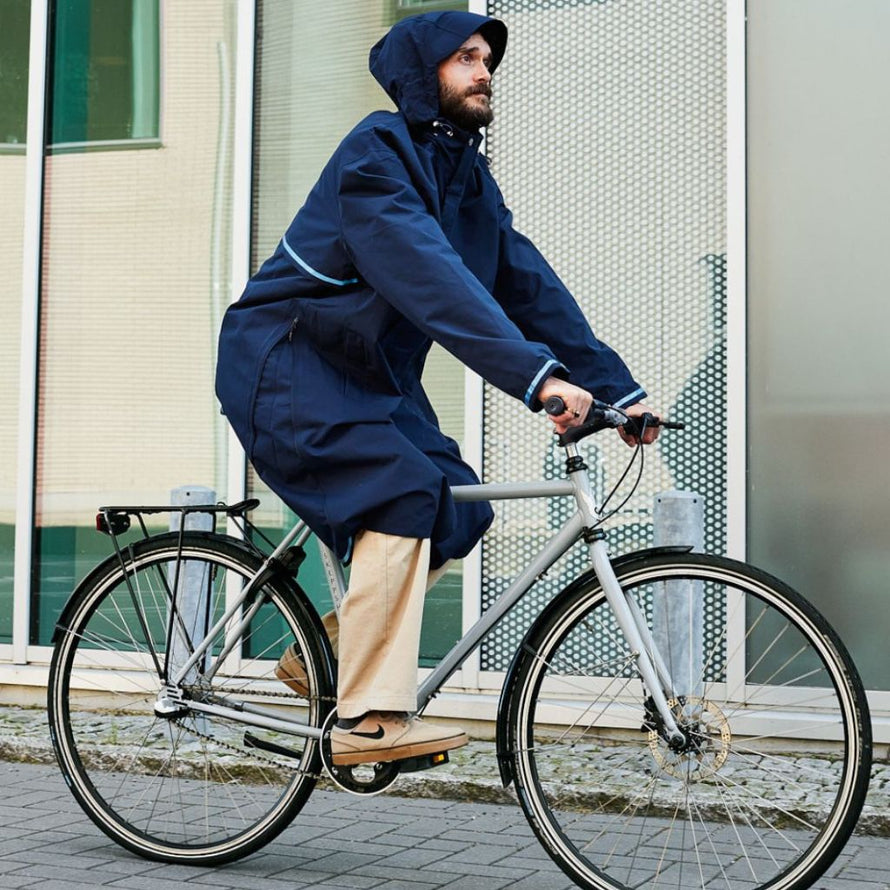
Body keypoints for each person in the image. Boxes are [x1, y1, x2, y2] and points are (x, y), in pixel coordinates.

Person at [215, 11, 658, 768]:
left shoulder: (467, 178)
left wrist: (618, 393)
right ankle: (368, 720)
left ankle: (320, 656)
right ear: (424, 73)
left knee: (456, 506)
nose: (485, 71)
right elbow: (430, 277)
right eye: (465, 58)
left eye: (487, 59)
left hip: (366, 380)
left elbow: (527, 286)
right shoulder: (375, 155)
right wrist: (536, 378)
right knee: (402, 491)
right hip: (286, 366)